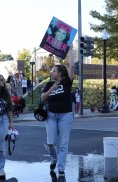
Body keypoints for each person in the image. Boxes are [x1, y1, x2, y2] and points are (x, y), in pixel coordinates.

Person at [41, 47, 74, 181]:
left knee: (63, 143)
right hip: (51, 116)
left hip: (65, 115)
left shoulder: (67, 82)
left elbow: (72, 66)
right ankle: (53, 158)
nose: (51, 72)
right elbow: (43, 98)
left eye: (54, 70)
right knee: (51, 143)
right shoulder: (49, 84)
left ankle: (61, 167)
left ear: (60, 73)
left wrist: (70, 50)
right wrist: (51, 90)